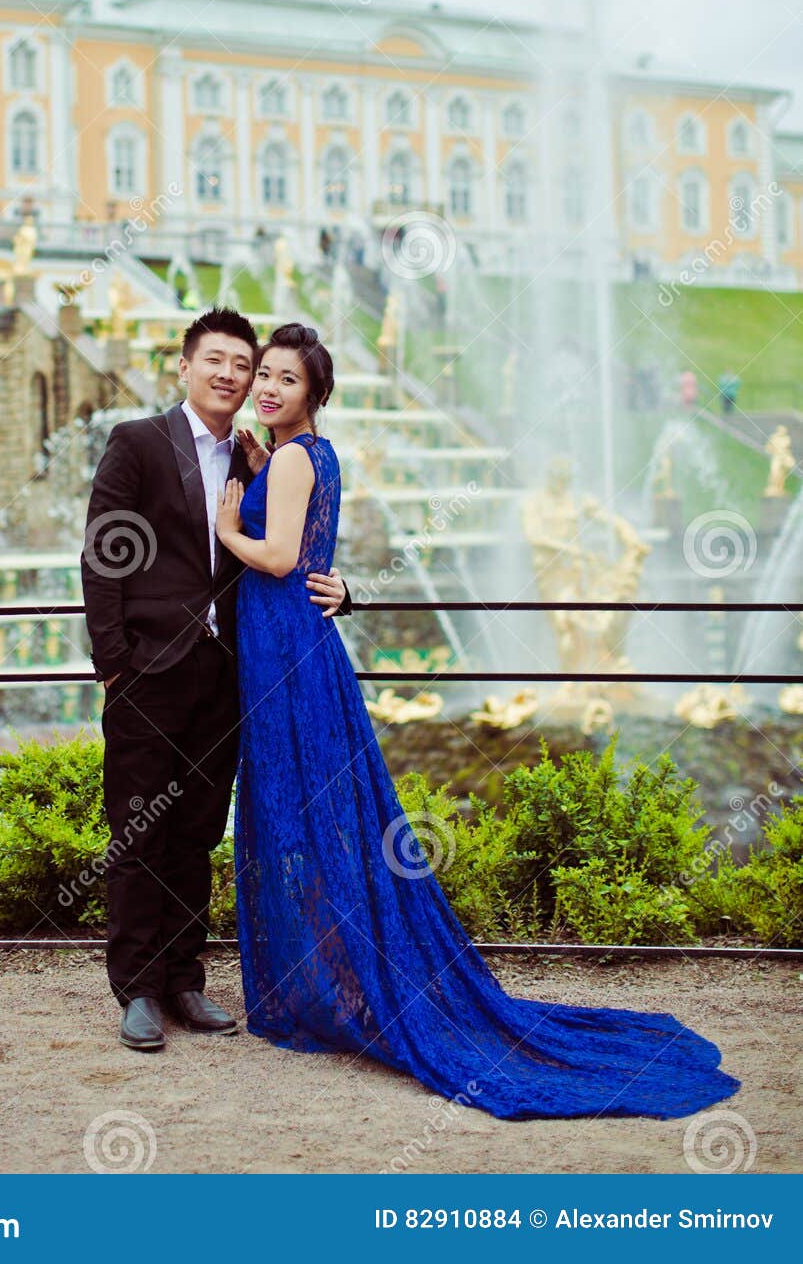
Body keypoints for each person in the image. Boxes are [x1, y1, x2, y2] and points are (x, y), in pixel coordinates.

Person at [214, 322, 742, 1121]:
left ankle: (323, 987)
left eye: (286, 379)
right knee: (321, 807)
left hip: (280, 638)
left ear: (315, 394)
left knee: (295, 806)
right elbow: (302, 537)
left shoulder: (291, 456)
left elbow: (283, 558)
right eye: (267, 376)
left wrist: (229, 525)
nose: (268, 388)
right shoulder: (310, 454)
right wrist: (258, 473)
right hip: (296, 640)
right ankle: (338, 974)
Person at [80, 308, 352, 1052]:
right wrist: (113, 665)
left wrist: (339, 589)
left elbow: (291, 544)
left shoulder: (252, 456)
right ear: (185, 365)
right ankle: (135, 989)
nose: (233, 375)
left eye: (246, 364)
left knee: (197, 832)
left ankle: (182, 980)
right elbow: (103, 554)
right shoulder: (136, 442)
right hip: (147, 672)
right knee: (137, 832)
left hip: (227, 674)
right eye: (220, 361)